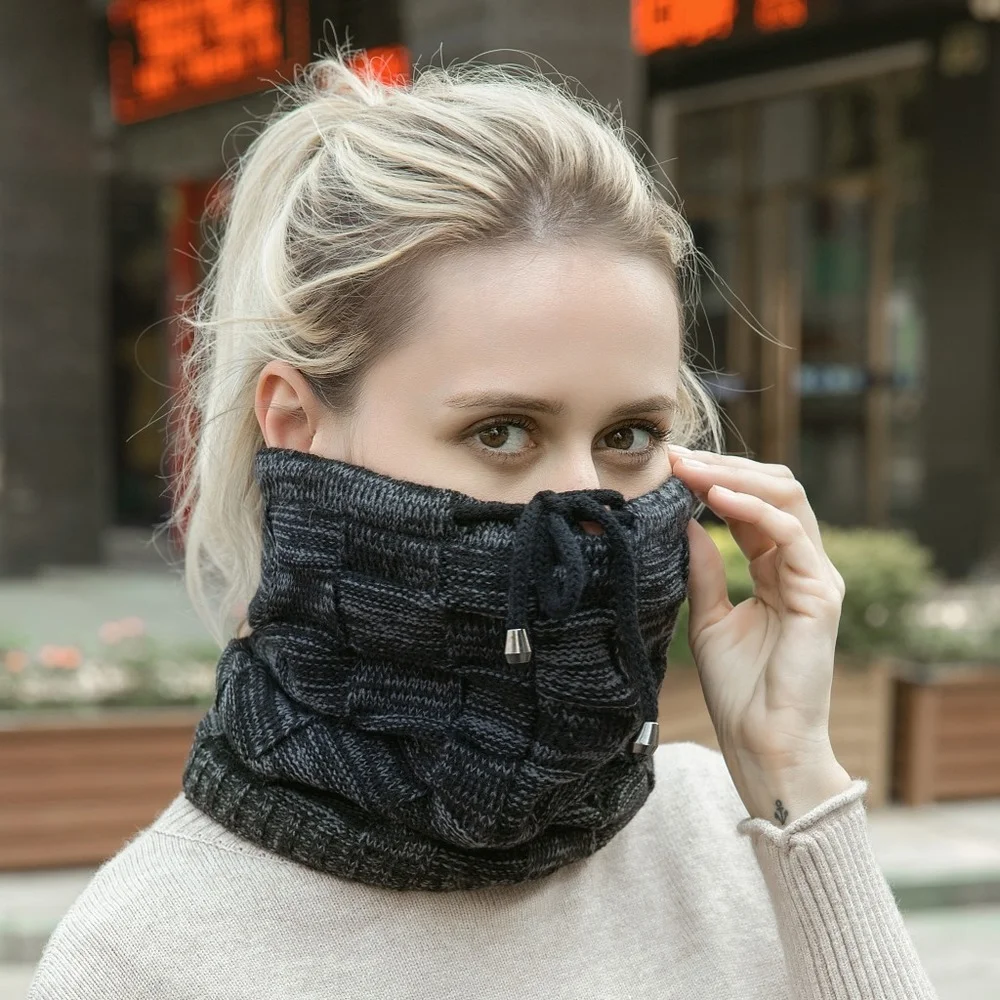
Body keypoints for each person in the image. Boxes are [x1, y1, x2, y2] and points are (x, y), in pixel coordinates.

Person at [30, 51, 936, 1000]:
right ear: (295, 424)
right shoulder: (143, 955)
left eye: (629, 435)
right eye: (500, 432)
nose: (589, 514)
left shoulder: (732, 828)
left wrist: (792, 771)